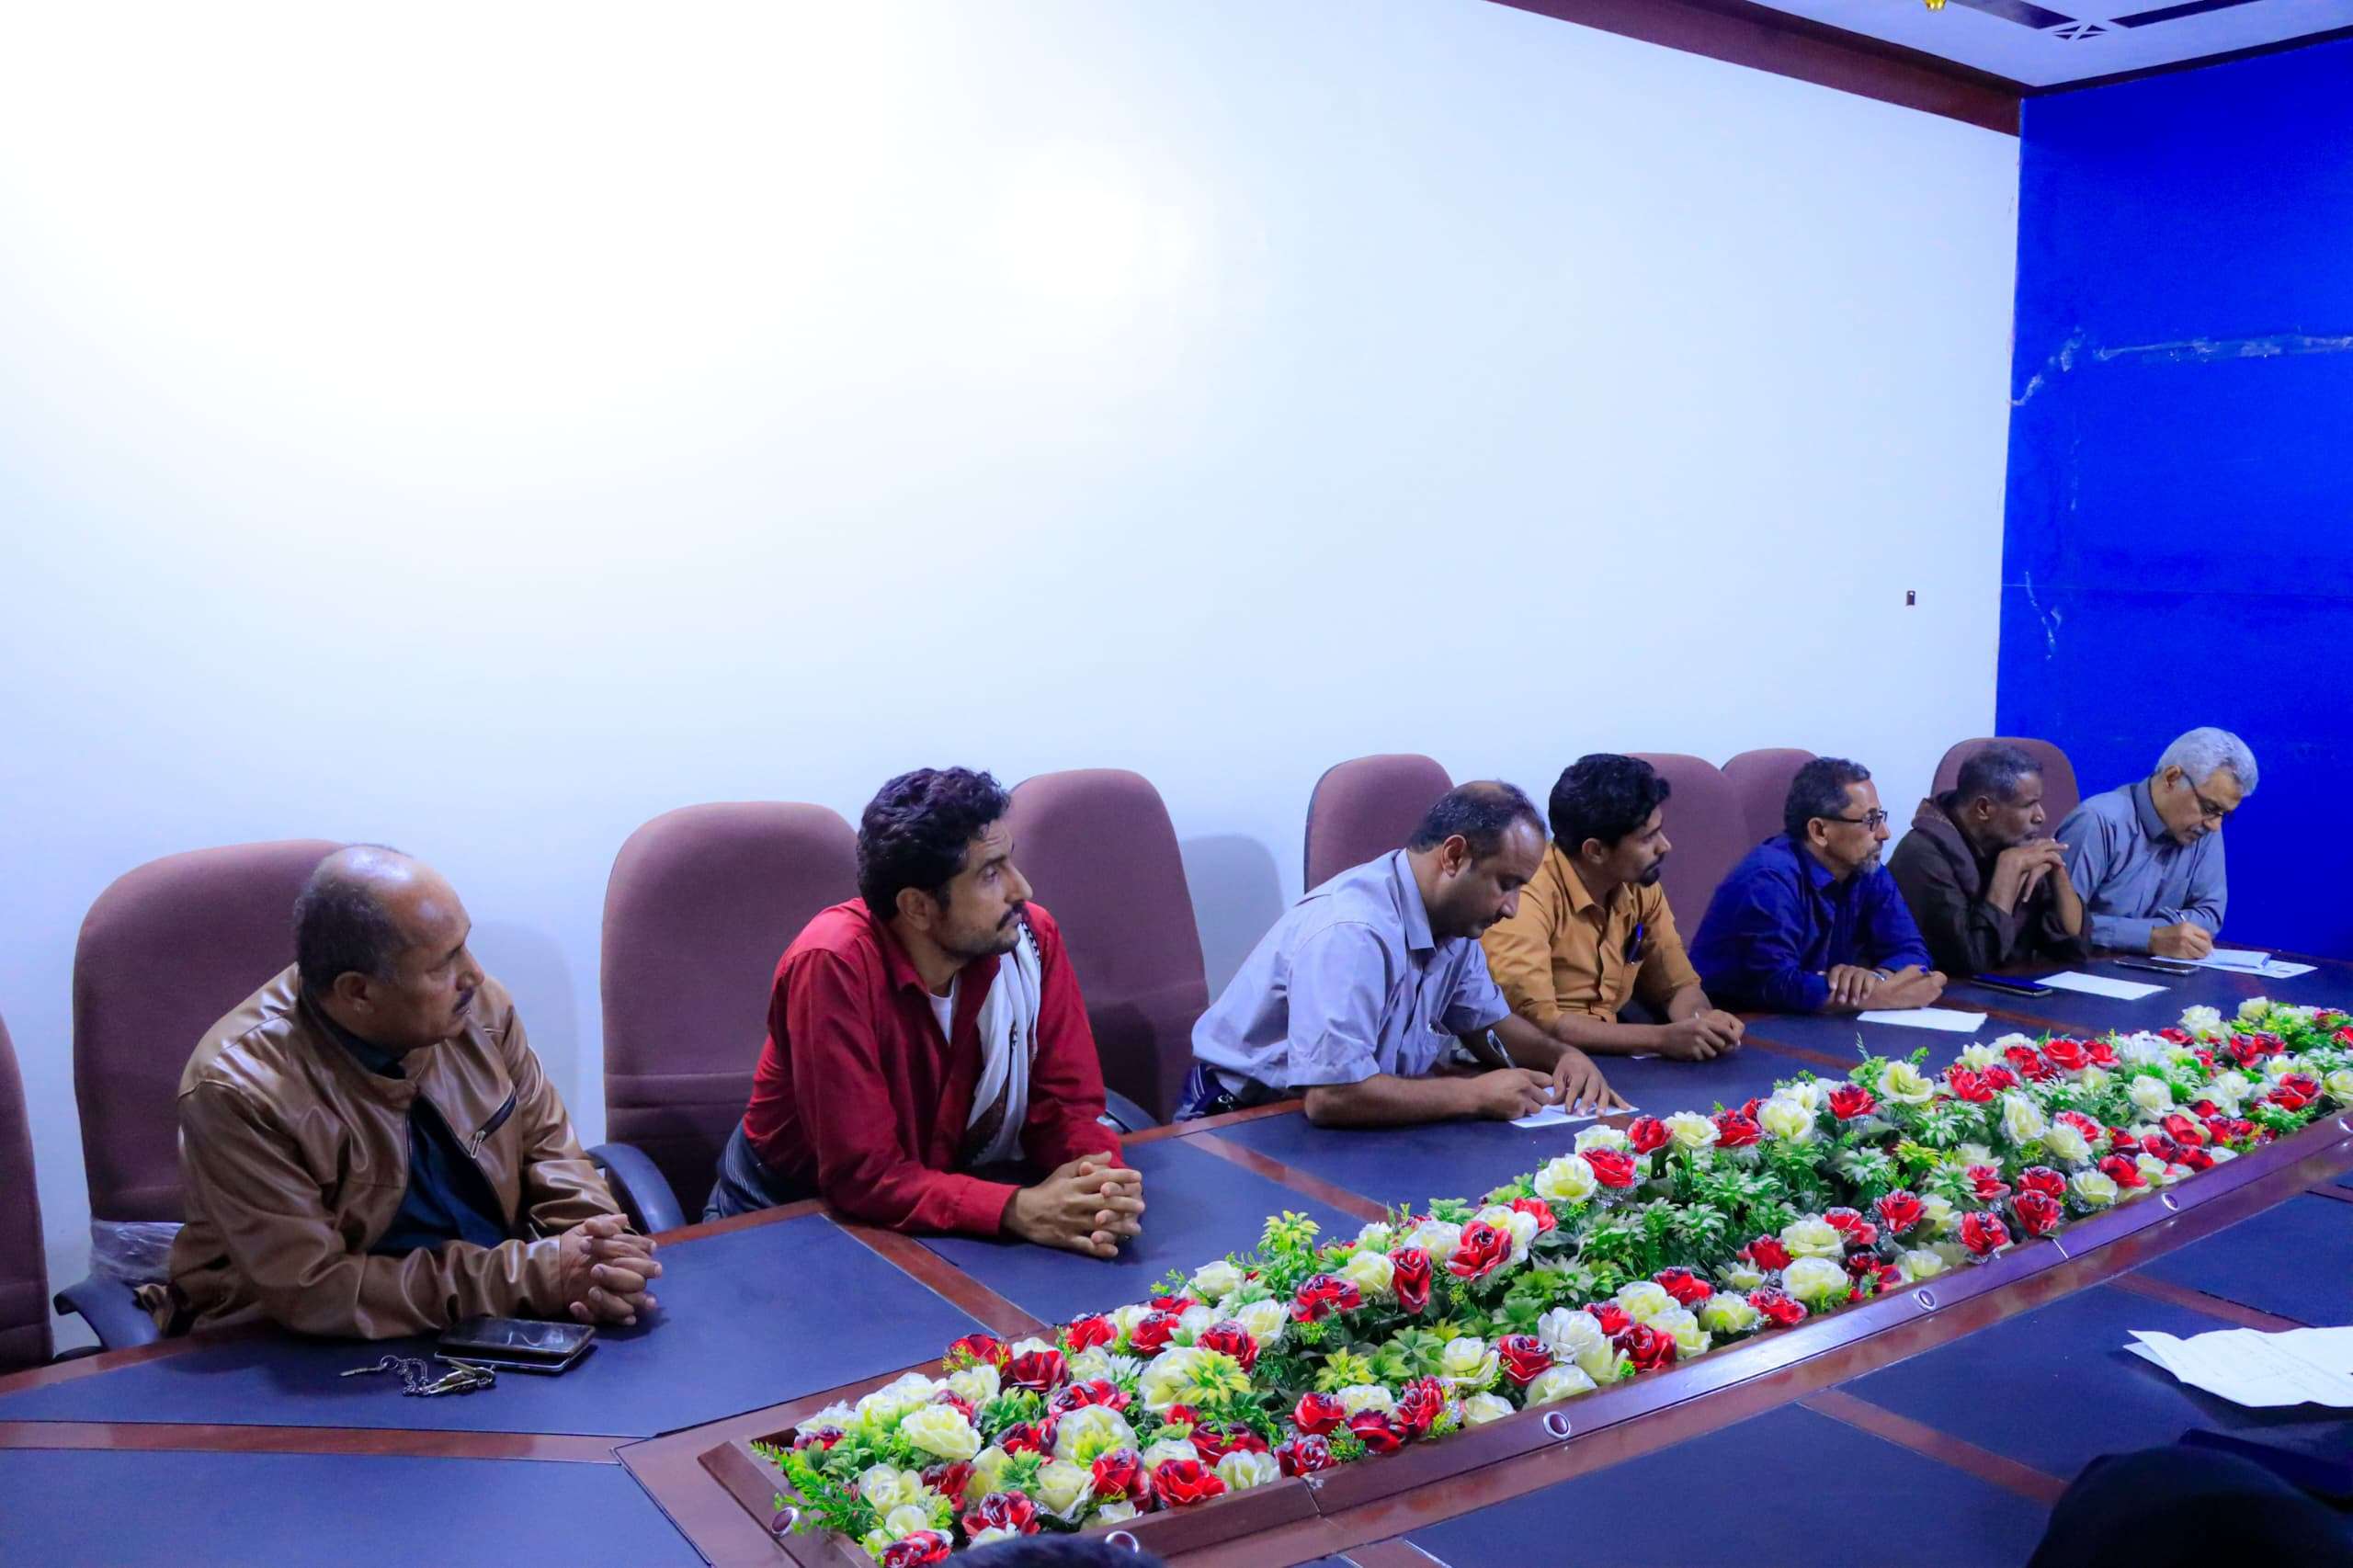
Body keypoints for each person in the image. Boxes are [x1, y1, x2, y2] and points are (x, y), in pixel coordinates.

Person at [163, 846, 659, 1339]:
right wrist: (537, 1274)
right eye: (442, 965)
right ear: (358, 991)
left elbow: (553, 1157)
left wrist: (604, 1259)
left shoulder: (481, 1012)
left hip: (489, 1313)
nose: (474, 975)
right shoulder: (239, 1088)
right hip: (305, 1348)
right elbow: (316, 1291)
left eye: (465, 944)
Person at [707, 768, 1144, 1260]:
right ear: (917, 907)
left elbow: (1064, 1106)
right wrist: (1017, 1210)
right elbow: (864, 1176)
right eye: (990, 873)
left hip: (950, 1208)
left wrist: (1098, 1187)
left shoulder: (1030, 941)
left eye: (1011, 861)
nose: (1022, 888)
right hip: (794, 1218)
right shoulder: (833, 963)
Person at [1183, 781, 1626, 1127]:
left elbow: (1488, 1025)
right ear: (1454, 856)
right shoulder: (1353, 932)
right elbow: (1332, 1096)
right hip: (1245, 1119)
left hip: (1340, 1117)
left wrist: (1563, 1057)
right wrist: (1474, 1094)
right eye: (1506, 885)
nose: (1512, 909)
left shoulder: (1456, 925)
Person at [1480, 754, 1745, 1062]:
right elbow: (1537, 1025)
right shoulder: (1527, 893)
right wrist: (1662, 1039)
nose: (1665, 846)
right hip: (1538, 1060)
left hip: (1615, 1053)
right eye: (1647, 838)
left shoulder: (1638, 884)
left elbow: (1677, 986)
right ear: (1595, 851)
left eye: (1659, 830)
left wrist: (1702, 1022)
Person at [1688, 757, 1945, 1014]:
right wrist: (1876, 997)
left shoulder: (1867, 870)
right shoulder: (1768, 878)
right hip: (1736, 1020)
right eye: (1870, 820)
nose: (1884, 833)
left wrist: (1877, 979)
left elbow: (1913, 951)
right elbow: (1776, 983)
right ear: (1819, 831)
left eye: (1880, 816)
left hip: (1813, 1020)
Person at [1887, 742, 2090, 975]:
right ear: (1983, 808)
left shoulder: (2011, 845)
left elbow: (2074, 949)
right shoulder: (1922, 855)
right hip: (1950, 992)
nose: (2041, 816)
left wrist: (2057, 872)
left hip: (2012, 987)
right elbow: (1973, 962)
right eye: (2028, 805)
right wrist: (2007, 872)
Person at [2055, 727, 2256, 958]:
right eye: (2210, 808)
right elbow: (2059, 926)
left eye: (2225, 814)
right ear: (2172, 778)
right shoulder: (2098, 822)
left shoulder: (2205, 829)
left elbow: (2209, 916)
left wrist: (2162, 935)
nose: (2215, 825)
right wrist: (2148, 937)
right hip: (2082, 967)